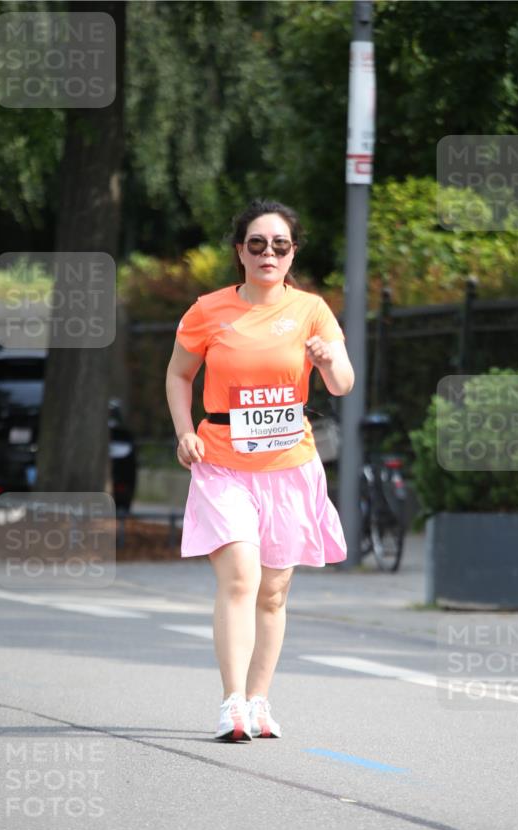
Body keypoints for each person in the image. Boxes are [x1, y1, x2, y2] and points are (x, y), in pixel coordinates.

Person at [165, 199, 354, 742]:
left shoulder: (313, 310)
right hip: (222, 462)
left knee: (273, 592)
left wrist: (326, 360)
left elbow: (343, 383)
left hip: (290, 466)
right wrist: (184, 431)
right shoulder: (208, 310)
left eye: (280, 245)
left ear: (292, 253)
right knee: (241, 577)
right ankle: (231, 704)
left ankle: (259, 699)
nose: (268, 253)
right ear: (239, 251)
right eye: (257, 244)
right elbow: (179, 375)